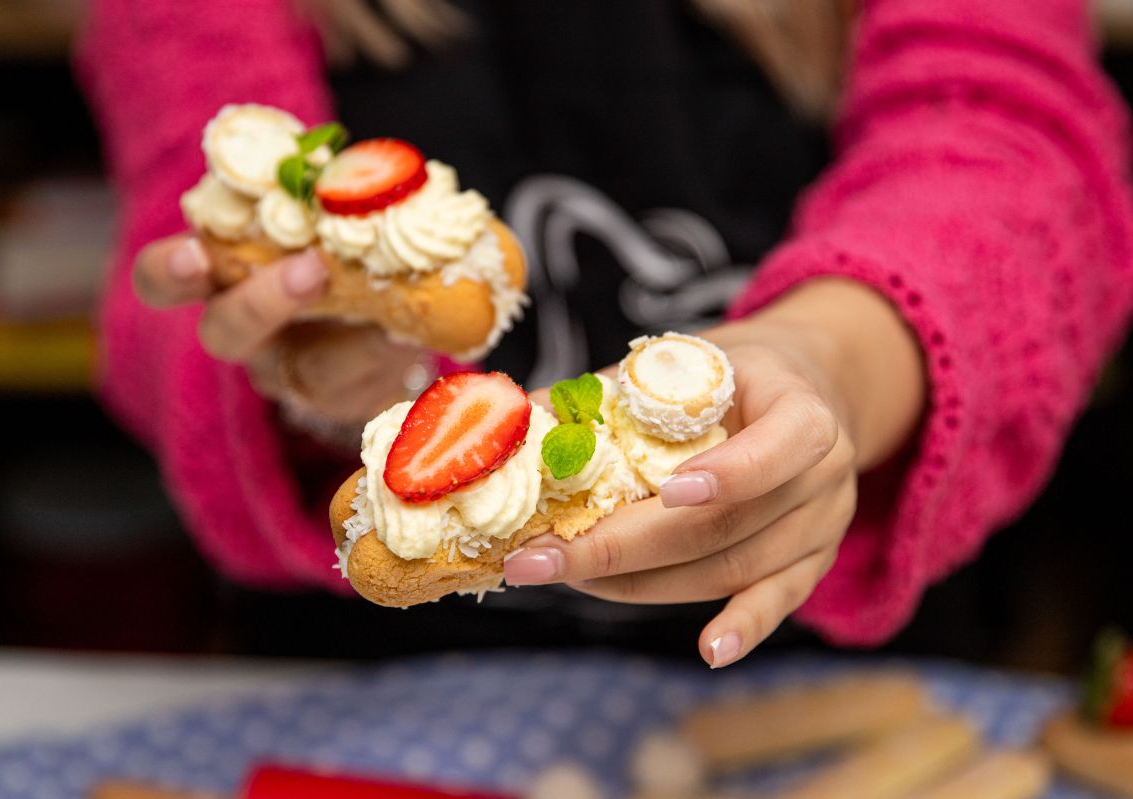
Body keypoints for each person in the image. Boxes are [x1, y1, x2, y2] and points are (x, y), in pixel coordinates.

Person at [75, 0, 1133, 667]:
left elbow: (1012, 156)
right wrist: (303, 367)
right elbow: (171, 247)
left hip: (822, 652)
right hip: (378, 673)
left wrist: (832, 360)